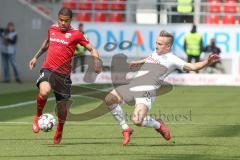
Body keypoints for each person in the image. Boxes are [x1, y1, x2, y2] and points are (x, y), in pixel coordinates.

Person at [104, 30, 219, 145]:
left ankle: (158, 125)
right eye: (156, 43)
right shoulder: (156, 52)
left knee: (137, 121)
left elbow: (193, 66)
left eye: (159, 44)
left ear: (168, 46)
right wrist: (136, 62)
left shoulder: (172, 59)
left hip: (146, 93)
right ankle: (125, 129)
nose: (156, 46)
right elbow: (149, 59)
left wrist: (207, 61)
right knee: (109, 99)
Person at [28, 7, 101, 144]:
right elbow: (46, 44)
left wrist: (96, 61)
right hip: (48, 69)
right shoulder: (52, 29)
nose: (63, 23)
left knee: (62, 108)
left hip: (63, 76)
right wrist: (35, 57)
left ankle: (60, 129)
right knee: (44, 92)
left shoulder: (77, 34)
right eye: (60, 20)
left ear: (70, 21)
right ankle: (37, 116)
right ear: (58, 19)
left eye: (66, 21)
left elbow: (92, 48)